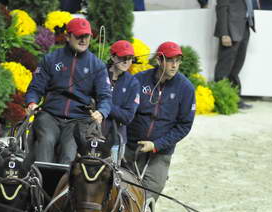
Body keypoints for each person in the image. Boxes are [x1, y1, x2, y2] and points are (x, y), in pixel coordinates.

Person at [25, 17, 112, 164]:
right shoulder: (50, 59)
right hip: (49, 115)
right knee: (46, 139)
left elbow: (105, 97)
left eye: (87, 36)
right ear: (67, 36)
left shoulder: (97, 66)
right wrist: (32, 102)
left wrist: (102, 111)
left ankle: (64, 186)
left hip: (79, 119)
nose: (83, 40)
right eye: (79, 36)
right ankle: (41, 181)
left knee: (69, 148)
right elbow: (35, 87)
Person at [124, 41, 196, 202]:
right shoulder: (138, 80)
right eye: (170, 60)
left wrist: (156, 145)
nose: (174, 65)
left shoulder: (186, 88)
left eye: (178, 61)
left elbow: (184, 125)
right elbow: (125, 110)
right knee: (122, 189)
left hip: (161, 152)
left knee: (149, 193)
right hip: (130, 146)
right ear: (159, 60)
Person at [103, 40, 141, 164]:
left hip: (116, 139)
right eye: (123, 57)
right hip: (92, 135)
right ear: (113, 57)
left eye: (130, 58)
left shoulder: (133, 83)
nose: (126, 61)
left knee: (110, 178)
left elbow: (128, 117)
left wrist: (104, 106)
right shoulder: (99, 73)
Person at [214, 0, 256, 109]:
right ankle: (219, 99)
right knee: (223, 69)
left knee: (236, 68)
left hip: (244, 27)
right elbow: (221, 8)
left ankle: (235, 99)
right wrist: (224, 34)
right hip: (230, 31)